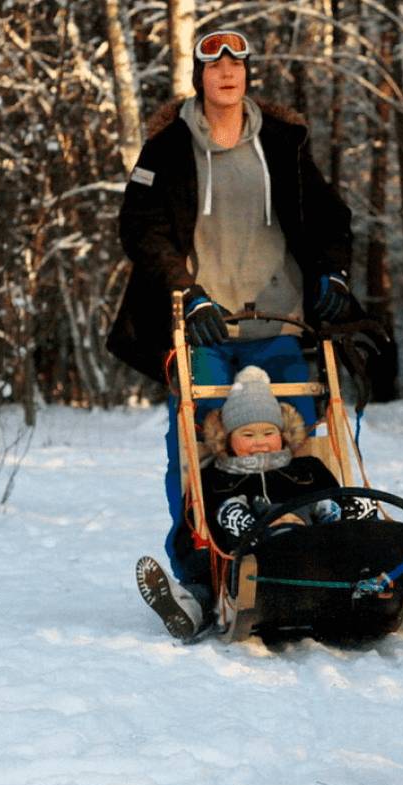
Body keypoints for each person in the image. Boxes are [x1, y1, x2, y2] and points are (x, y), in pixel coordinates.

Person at [106, 28, 363, 596]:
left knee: (300, 440)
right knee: (198, 446)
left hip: (283, 323)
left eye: (237, 63)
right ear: (198, 75)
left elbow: (328, 218)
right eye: (214, 63)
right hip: (204, 327)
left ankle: (319, 555)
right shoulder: (168, 148)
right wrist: (185, 290)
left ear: (247, 73)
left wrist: (333, 274)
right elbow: (141, 228)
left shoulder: (283, 141)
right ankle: (203, 574)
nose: (226, 72)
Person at [136, 366, 373, 641]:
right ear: (229, 438)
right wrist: (202, 555)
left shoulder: (308, 468)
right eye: (247, 435)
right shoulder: (215, 477)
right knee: (215, 568)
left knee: (330, 508)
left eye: (268, 433)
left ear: (283, 434)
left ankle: (361, 567)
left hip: (316, 548)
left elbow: (336, 493)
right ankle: (190, 606)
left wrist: (343, 511)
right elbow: (193, 531)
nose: (260, 443)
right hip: (248, 560)